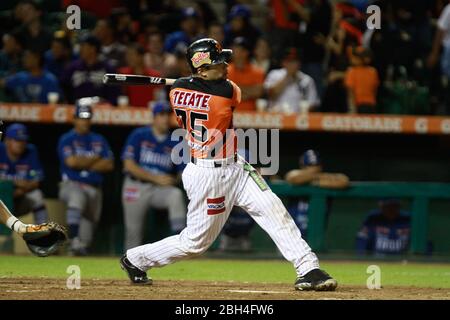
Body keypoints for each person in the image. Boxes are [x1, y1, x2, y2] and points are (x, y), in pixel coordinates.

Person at [120, 38, 337, 292]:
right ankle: (136, 259)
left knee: (274, 210)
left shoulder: (176, 91)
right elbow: (223, 90)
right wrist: (193, 82)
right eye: (219, 63)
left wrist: (188, 82)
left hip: (237, 167)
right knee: (195, 243)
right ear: (201, 70)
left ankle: (308, 268)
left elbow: (195, 88)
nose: (226, 66)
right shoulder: (227, 92)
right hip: (207, 174)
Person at [122, 101, 187, 250]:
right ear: (154, 117)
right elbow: (128, 165)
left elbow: (182, 172)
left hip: (159, 189)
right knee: (133, 233)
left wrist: (172, 180)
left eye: (168, 115)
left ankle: (181, 245)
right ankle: (129, 265)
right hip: (135, 186)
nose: (165, 118)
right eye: (161, 114)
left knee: (175, 195)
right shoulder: (139, 135)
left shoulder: (175, 141)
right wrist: (155, 178)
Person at [57, 98, 114, 255]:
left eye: (87, 118)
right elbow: (72, 162)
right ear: (74, 119)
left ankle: (76, 247)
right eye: (81, 118)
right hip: (71, 185)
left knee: (85, 242)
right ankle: (72, 239)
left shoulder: (98, 139)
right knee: (77, 196)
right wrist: (96, 159)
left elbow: (109, 164)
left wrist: (85, 163)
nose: (84, 122)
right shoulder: (67, 138)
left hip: (94, 189)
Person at [285, 149, 349, 238]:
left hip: (315, 236)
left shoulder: (321, 178)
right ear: (302, 166)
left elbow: (344, 181)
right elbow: (292, 177)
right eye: (309, 166)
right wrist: (317, 176)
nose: (313, 168)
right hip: (290, 235)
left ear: (321, 166)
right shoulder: (296, 175)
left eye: (316, 165)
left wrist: (315, 180)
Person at [0, 123, 48, 226]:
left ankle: (44, 235)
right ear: (7, 141)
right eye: (17, 140)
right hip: (1, 199)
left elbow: (35, 182)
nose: (21, 144)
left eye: (23, 140)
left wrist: (17, 190)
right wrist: (16, 183)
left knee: (37, 196)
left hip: (18, 200)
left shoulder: (31, 151)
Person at [61, 34, 119, 104]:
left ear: (93, 49)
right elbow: (63, 89)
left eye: (83, 46)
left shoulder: (107, 69)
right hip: (76, 109)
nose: (80, 49)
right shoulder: (72, 68)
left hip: (101, 110)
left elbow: (114, 94)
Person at [264, 48, 320, 113]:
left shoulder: (307, 80)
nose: (292, 64)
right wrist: (288, 76)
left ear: (299, 63)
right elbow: (270, 95)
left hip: (297, 118)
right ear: (283, 62)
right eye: (289, 61)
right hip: (277, 117)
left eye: (294, 61)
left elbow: (313, 104)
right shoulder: (274, 74)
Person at [227, 37, 265, 112]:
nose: (234, 51)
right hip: (229, 113)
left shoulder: (257, 71)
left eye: (238, 49)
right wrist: (249, 90)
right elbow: (224, 92)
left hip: (249, 116)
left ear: (246, 52)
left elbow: (258, 92)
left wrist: (234, 89)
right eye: (233, 48)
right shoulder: (224, 70)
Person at [344, 46, 379, 114]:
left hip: (365, 106)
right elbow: (350, 92)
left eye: (356, 57)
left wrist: (352, 109)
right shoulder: (373, 71)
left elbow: (375, 90)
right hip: (361, 105)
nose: (353, 59)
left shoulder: (372, 71)